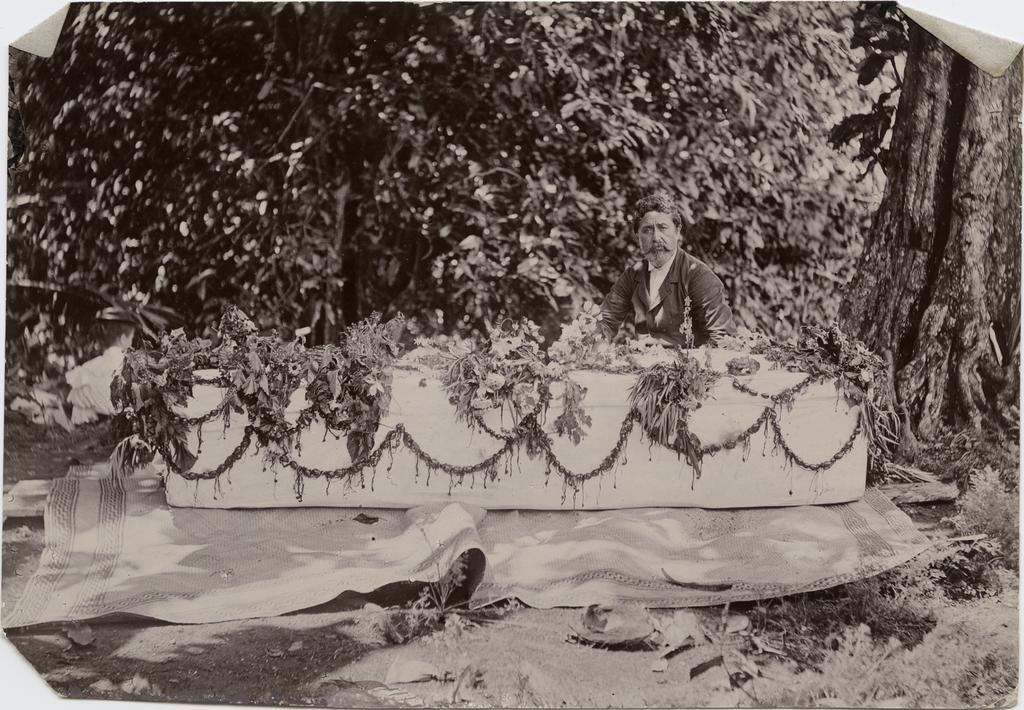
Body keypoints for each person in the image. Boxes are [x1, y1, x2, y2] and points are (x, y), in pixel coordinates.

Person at [598, 193, 736, 348]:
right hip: (642, 366)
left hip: (688, 368)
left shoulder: (698, 276)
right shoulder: (633, 274)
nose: (656, 237)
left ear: (677, 231)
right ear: (638, 236)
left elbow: (723, 338)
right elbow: (605, 321)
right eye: (647, 230)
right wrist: (595, 351)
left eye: (663, 228)